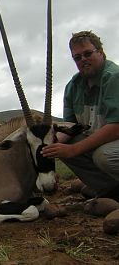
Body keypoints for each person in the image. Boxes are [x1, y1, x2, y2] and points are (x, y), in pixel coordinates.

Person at [42, 31, 119, 199]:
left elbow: (115, 128)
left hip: (113, 142)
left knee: (103, 156)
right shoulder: (73, 86)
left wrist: (73, 149)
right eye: (77, 57)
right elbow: (70, 128)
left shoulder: (114, 77)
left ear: (100, 51)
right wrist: (48, 148)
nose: (83, 59)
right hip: (102, 142)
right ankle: (111, 191)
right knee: (59, 149)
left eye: (88, 54)